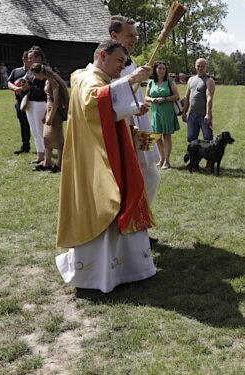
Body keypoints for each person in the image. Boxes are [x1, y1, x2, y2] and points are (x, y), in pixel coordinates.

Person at [55, 39, 154, 293]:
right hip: (98, 158)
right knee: (109, 199)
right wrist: (132, 81)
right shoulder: (89, 79)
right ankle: (102, 272)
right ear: (102, 56)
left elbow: (108, 111)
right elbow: (94, 104)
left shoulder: (94, 78)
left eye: (124, 63)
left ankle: (123, 267)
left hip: (103, 150)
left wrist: (132, 111)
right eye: (119, 61)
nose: (122, 67)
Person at [109, 15, 161, 243]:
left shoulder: (129, 61)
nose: (135, 39)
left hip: (142, 126)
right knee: (134, 179)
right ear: (114, 35)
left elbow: (132, 94)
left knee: (151, 174)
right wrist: (132, 79)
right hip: (126, 130)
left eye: (136, 35)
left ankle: (139, 224)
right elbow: (107, 92)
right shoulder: (110, 61)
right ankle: (132, 228)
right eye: (130, 35)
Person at [29, 63, 68, 172]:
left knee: (57, 137)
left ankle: (60, 163)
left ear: (40, 72)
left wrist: (50, 116)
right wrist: (46, 114)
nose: (35, 77)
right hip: (50, 110)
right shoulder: (47, 81)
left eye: (35, 74)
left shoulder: (54, 82)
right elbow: (48, 100)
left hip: (55, 112)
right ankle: (47, 161)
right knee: (46, 137)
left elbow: (56, 101)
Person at [145, 61, 180, 169]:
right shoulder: (151, 82)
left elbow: (177, 96)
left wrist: (164, 99)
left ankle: (167, 161)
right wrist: (152, 99)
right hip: (155, 112)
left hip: (167, 112)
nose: (161, 70)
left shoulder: (170, 82)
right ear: (155, 70)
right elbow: (146, 97)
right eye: (159, 68)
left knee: (166, 135)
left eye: (163, 69)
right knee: (156, 136)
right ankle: (161, 158)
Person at [182, 58, 215, 143]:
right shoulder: (191, 79)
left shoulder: (209, 80)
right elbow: (186, 96)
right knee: (191, 139)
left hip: (203, 115)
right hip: (192, 114)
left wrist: (208, 114)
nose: (200, 68)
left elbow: (209, 98)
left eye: (202, 66)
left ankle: (210, 156)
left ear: (206, 67)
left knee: (208, 140)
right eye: (198, 66)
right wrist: (184, 112)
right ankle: (193, 156)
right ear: (195, 66)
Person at [25, 46, 48, 166]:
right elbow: (27, 82)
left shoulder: (45, 70)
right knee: (34, 130)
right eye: (28, 58)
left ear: (38, 58)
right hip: (31, 103)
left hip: (41, 103)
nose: (29, 60)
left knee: (41, 130)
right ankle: (40, 155)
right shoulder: (30, 71)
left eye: (31, 58)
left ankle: (46, 157)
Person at [7, 51, 32, 154]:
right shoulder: (16, 71)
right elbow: (9, 82)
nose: (30, 61)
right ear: (24, 60)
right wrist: (15, 88)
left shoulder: (33, 72)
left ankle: (43, 149)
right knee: (24, 124)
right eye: (28, 59)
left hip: (32, 102)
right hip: (20, 102)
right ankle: (25, 146)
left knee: (35, 126)